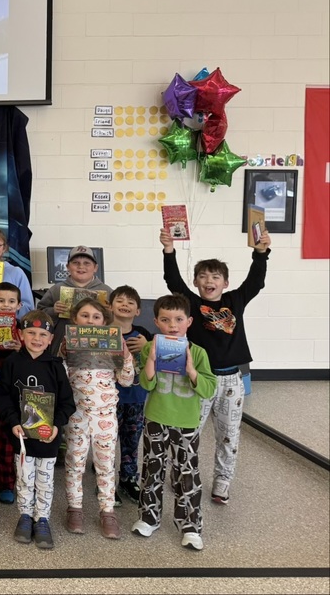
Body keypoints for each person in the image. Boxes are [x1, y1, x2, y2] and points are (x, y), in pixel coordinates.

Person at [160, 227, 270, 505]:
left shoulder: (235, 300)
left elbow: (255, 281)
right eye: (203, 276)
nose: (209, 281)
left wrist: (260, 253)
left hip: (232, 381)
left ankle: (223, 481)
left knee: (228, 435)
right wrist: (169, 250)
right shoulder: (191, 304)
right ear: (196, 282)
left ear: (225, 282)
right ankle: (182, 474)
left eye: (215, 277)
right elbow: (173, 280)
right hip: (197, 380)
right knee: (187, 432)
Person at [133, 294, 217, 551]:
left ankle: (190, 525)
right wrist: (151, 358)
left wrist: (191, 370)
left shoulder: (199, 352)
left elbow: (209, 388)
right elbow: (146, 384)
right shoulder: (150, 348)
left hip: (186, 422)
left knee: (187, 473)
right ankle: (149, 517)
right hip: (156, 418)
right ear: (157, 322)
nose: (173, 325)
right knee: (152, 470)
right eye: (166, 320)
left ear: (189, 321)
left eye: (179, 319)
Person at [0, 311, 75, 550]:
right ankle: (25, 516)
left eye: (43, 334)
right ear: (21, 334)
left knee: (45, 480)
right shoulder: (11, 363)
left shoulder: (56, 368)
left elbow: (68, 403)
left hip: (47, 436)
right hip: (21, 436)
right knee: (24, 478)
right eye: (31, 333)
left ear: (50, 339)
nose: (37, 338)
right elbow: (2, 396)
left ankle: (42, 519)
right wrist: (12, 421)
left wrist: (56, 424)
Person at [63, 298, 134, 539]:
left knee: (105, 465)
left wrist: (125, 356)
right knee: (75, 464)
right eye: (84, 316)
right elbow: (60, 379)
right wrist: (63, 354)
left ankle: (107, 511)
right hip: (77, 416)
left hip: (105, 415)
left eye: (95, 317)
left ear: (104, 322)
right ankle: (75, 509)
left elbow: (125, 380)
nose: (90, 320)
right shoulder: (68, 343)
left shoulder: (113, 344)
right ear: (75, 320)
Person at [109, 285, 153, 503]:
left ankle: (128, 479)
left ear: (137, 311)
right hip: (107, 400)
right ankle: (106, 484)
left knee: (131, 442)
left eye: (130, 302)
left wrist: (148, 346)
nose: (125, 304)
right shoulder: (102, 332)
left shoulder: (144, 335)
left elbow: (160, 359)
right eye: (120, 300)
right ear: (110, 306)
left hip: (136, 398)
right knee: (106, 444)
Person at [0, 282, 24, 506]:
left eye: (11, 302)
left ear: (19, 305)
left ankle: (19, 480)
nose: (6, 305)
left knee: (15, 435)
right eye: (1, 301)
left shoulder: (25, 331)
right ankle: (5, 481)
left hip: (18, 391)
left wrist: (24, 349)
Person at [36, 245, 113, 350]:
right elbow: (39, 314)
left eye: (87, 263)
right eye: (76, 263)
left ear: (95, 268)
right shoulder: (56, 289)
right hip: (62, 345)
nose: (81, 267)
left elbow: (118, 321)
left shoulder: (107, 291)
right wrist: (53, 311)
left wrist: (111, 313)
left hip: (97, 347)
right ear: (68, 267)